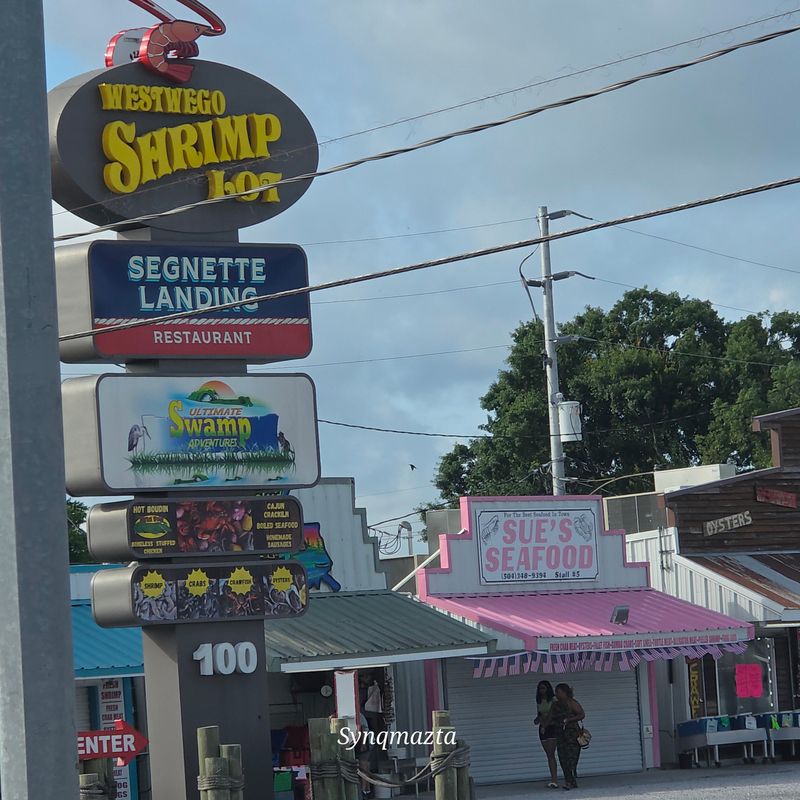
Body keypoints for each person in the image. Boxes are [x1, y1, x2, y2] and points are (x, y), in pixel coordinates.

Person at [550, 683, 585, 790]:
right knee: (562, 758)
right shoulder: (555, 705)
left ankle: (570, 781)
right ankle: (569, 781)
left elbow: (582, 714)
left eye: (558, 692)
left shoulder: (571, 703)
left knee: (571, 758)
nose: (556, 694)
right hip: (560, 735)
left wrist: (569, 720)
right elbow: (551, 717)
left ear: (565, 692)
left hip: (572, 735)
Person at [534, 680, 560, 789]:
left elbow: (553, 715)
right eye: (540, 688)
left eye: (543, 688)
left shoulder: (553, 700)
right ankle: (553, 779)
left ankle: (555, 780)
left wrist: (545, 725)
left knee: (551, 753)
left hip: (551, 727)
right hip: (543, 727)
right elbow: (539, 715)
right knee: (548, 755)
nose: (541, 691)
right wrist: (538, 720)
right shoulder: (539, 701)